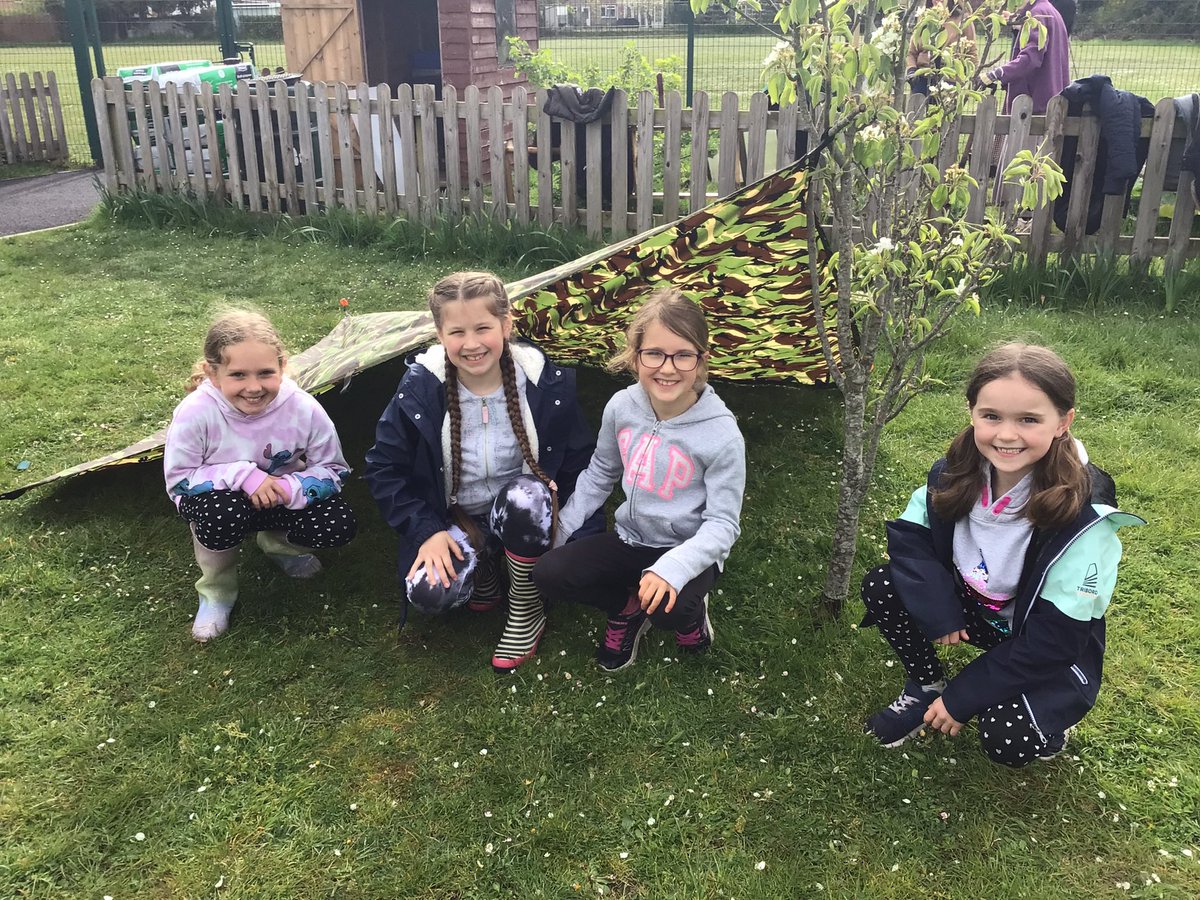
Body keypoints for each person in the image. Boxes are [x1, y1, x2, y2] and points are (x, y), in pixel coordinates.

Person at [860, 343, 1143, 766]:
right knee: (884, 585)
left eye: (1029, 419)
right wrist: (938, 607)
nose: (1007, 435)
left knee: (1008, 738)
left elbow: (1055, 641)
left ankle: (1048, 723)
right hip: (977, 613)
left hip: (1043, 639)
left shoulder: (1085, 520)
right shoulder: (954, 472)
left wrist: (964, 696)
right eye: (991, 416)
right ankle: (926, 686)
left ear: (1063, 422)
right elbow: (911, 538)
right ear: (971, 412)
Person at [364, 271, 600, 672]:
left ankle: (525, 606)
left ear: (506, 325)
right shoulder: (420, 388)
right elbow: (383, 468)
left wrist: (579, 537)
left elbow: (579, 461)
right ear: (439, 334)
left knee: (527, 494)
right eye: (457, 332)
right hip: (455, 516)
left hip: (524, 513)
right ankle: (485, 566)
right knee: (429, 595)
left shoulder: (543, 384)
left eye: (483, 328)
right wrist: (426, 531)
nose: (471, 344)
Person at [533, 289, 746, 672]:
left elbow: (723, 525)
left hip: (688, 548)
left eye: (683, 355)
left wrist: (674, 569)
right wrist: (561, 528)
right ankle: (627, 608)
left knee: (669, 611)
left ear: (702, 360)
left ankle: (692, 615)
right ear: (635, 356)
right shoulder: (621, 407)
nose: (668, 368)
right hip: (630, 541)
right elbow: (601, 472)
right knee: (548, 572)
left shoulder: (722, 435)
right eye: (655, 354)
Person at [164, 310, 357, 642]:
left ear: (282, 366)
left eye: (266, 373)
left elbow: (334, 469)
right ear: (212, 373)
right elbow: (179, 480)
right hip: (222, 503)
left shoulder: (303, 407)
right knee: (221, 517)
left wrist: (288, 488)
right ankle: (216, 591)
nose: (253, 387)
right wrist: (244, 476)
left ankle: (278, 545)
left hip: (280, 497)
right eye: (238, 375)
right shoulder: (195, 412)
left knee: (336, 523)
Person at [978, 0, 1069, 115]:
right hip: (1050, 102)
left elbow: (1031, 58)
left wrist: (997, 74)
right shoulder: (1049, 11)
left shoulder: (1037, 14)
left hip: (1034, 106)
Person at [905, 0, 977, 97]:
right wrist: (912, 70)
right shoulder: (924, 18)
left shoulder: (962, 19)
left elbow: (972, 53)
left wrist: (965, 78)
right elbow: (911, 53)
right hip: (922, 78)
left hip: (949, 81)